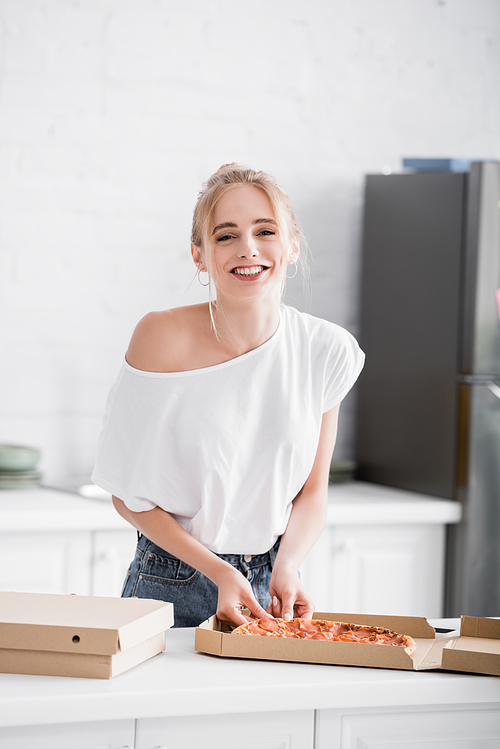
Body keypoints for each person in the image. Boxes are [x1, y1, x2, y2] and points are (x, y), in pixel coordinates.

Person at [92, 163, 364, 628]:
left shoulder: (326, 350)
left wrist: (288, 565)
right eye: (225, 236)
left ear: (292, 245)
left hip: (269, 582)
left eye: (266, 230)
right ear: (199, 255)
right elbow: (127, 495)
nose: (248, 249)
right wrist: (218, 571)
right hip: (170, 582)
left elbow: (312, 491)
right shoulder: (161, 336)